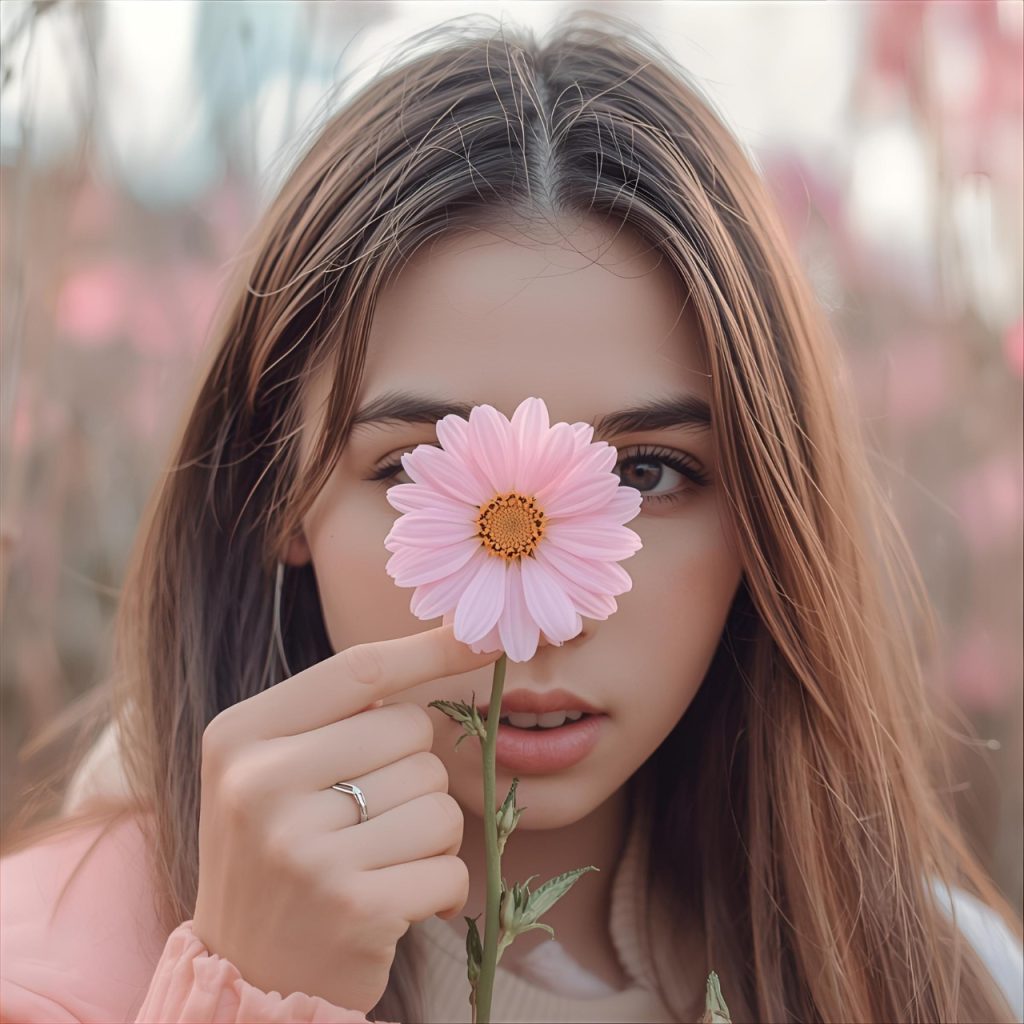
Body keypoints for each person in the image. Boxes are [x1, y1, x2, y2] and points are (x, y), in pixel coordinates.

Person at [2, 11, 1022, 1024]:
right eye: (413, 469)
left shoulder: (936, 980)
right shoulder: (49, 974)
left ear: (767, 506)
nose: (536, 617)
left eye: (651, 474)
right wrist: (255, 992)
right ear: (279, 489)